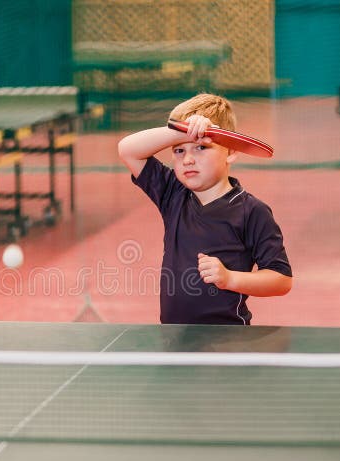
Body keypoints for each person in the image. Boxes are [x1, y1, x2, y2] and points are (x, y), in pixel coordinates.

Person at [117, 92, 292, 325]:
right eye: (179, 150)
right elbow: (127, 149)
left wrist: (230, 279)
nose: (188, 159)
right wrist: (180, 131)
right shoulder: (173, 194)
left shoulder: (252, 211)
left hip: (227, 340)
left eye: (200, 147)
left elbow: (281, 280)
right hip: (174, 338)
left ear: (230, 152)